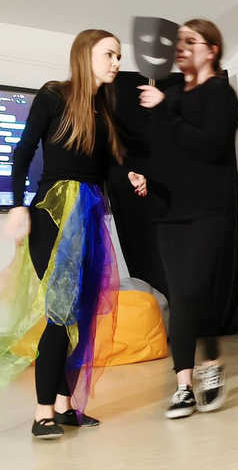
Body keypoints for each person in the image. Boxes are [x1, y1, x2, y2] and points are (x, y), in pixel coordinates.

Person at [1, 29, 147, 440]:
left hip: (89, 213)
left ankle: (65, 406)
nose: (116, 62)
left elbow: (105, 167)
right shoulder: (54, 95)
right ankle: (43, 413)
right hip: (54, 212)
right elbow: (23, 151)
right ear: (85, 55)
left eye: (119, 56)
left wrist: (130, 174)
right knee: (60, 313)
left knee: (79, 314)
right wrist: (17, 205)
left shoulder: (103, 111)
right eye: (109, 54)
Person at [138, 19, 238, 418]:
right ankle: (185, 384)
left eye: (190, 41)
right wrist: (142, 175)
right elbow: (162, 151)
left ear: (211, 50)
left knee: (191, 293)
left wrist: (165, 110)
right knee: (183, 294)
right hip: (168, 210)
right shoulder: (166, 95)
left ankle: (208, 365)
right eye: (178, 41)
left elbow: (210, 146)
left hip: (209, 209)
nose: (180, 47)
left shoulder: (220, 93)